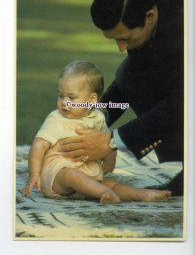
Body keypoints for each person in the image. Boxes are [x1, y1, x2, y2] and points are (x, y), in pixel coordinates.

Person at [48, 0, 184, 196]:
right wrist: (95, 118)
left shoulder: (183, 30)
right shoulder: (141, 5)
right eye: (114, 39)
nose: (121, 48)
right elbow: (128, 84)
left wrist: (112, 142)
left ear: (149, 17)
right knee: (128, 74)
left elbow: (182, 103)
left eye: (126, 39)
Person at [23, 60, 171, 203]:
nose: (63, 102)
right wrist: (34, 174)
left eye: (71, 97)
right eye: (61, 95)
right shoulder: (56, 118)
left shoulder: (98, 117)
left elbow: (107, 140)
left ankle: (141, 195)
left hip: (87, 172)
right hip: (57, 175)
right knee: (71, 175)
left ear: (92, 100)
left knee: (110, 184)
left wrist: (109, 158)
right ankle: (103, 193)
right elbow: (38, 145)